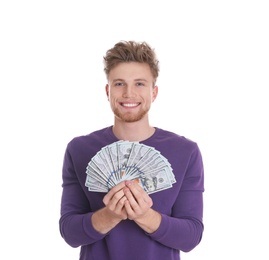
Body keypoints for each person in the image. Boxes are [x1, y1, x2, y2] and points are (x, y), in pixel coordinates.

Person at [59, 40, 204, 260]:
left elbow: (191, 237)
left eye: (139, 84)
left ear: (153, 92)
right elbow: (69, 232)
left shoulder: (186, 151)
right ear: (108, 91)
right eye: (119, 84)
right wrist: (109, 215)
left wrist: (145, 216)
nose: (129, 93)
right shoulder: (79, 149)